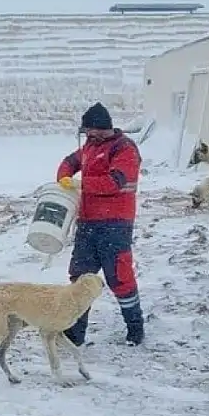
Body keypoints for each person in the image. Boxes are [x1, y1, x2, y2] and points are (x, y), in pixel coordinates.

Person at [55, 102, 145, 346]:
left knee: (119, 277)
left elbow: (115, 181)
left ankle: (135, 328)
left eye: (88, 132)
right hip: (88, 223)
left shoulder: (124, 149)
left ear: (100, 129)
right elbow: (69, 161)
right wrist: (64, 175)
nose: (86, 136)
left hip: (115, 224)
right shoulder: (89, 148)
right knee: (80, 278)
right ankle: (75, 333)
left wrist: (81, 184)